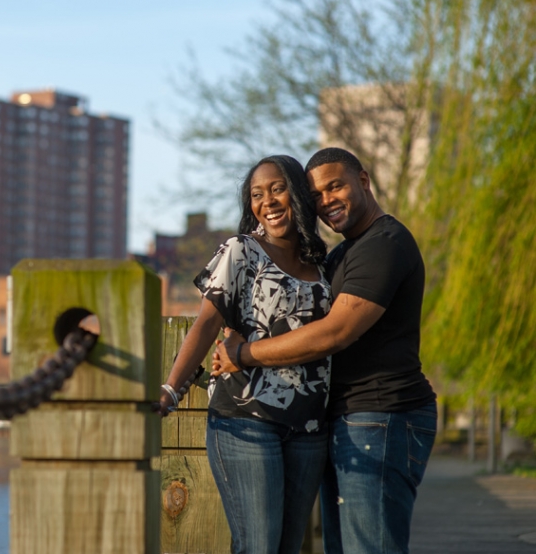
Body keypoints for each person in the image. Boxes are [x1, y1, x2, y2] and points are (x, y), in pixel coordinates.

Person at [212, 147, 437, 554]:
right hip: (349, 419)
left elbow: (335, 332)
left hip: (382, 414)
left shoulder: (384, 243)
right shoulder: (339, 254)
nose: (326, 201)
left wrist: (244, 354)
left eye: (336, 186)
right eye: (316, 195)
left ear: (364, 181)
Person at [158, 154, 332, 554]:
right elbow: (205, 324)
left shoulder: (322, 263)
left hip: (309, 429)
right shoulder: (242, 251)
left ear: (300, 194)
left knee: (288, 547)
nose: (267, 201)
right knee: (259, 545)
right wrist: (170, 390)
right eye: (257, 194)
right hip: (246, 421)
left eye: (277, 189)